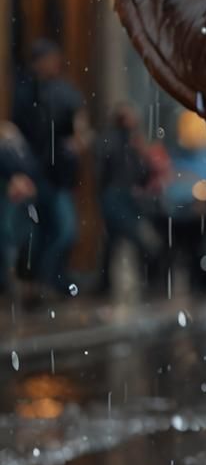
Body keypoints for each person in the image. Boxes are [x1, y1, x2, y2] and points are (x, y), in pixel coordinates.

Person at [12, 39, 89, 295]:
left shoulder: (64, 92)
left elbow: (80, 126)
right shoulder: (24, 92)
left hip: (56, 175)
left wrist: (77, 142)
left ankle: (49, 279)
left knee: (63, 230)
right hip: (34, 173)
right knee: (35, 231)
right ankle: (41, 281)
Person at [95, 103, 157, 296]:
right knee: (139, 239)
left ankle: (105, 285)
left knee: (112, 243)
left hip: (125, 196)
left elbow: (143, 173)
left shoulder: (131, 142)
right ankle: (146, 281)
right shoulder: (112, 141)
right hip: (116, 196)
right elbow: (105, 171)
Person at [0, 121, 38, 296]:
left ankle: (20, 278)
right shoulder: (6, 149)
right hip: (9, 198)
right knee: (8, 238)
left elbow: (31, 169)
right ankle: (7, 280)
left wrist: (26, 184)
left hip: (23, 199)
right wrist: (12, 183)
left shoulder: (22, 148)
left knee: (24, 236)